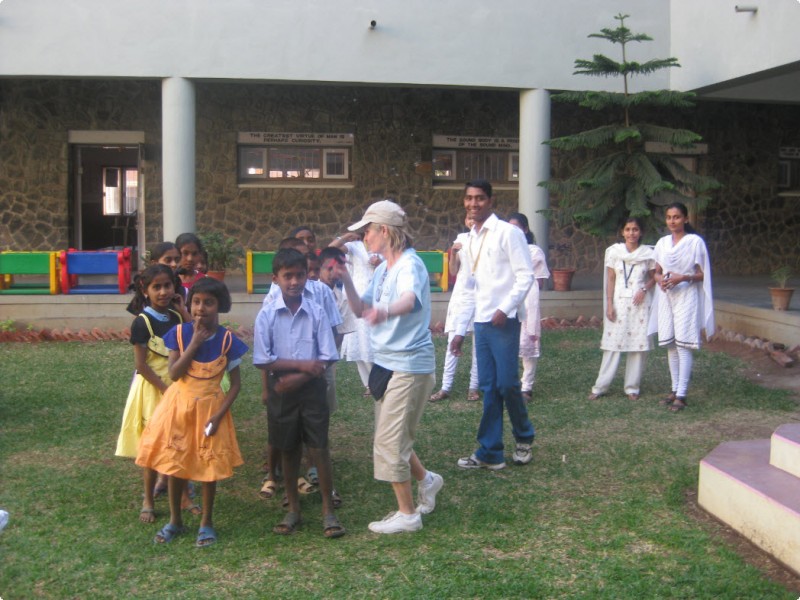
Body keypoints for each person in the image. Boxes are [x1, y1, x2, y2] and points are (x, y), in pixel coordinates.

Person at [335, 199, 443, 534]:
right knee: (392, 434)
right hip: (387, 363)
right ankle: (428, 480)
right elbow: (359, 308)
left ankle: (408, 515)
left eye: (367, 231)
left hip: (409, 364)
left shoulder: (410, 265)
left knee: (390, 441)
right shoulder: (383, 269)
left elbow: (408, 300)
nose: (364, 237)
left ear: (384, 230)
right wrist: (345, 278)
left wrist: (384, 312)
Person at [136, 277, 248, 547]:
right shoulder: (179, 334)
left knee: (209, 467)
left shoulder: (228, 340)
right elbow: (175, 374)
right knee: (176, 464)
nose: (201, 308)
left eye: (208, 303)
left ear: (220, 305)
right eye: (196, 302)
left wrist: (219, 416)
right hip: (178, 409)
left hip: (211, 411)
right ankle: (175, 520)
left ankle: (206, 522)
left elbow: (235, 385)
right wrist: (195, 343)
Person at [253, 248, 345, 538]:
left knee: (319, 447)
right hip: (281, 390)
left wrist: (299, 376)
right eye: (288, 276)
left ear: (307, 276)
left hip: (312, 389)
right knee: (288, 447)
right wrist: (302, 367)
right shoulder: (267, 315)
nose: (294, 282)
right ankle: (293, 508)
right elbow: (262, 359)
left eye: (300, 275)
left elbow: (327, 355)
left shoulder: (316, 312)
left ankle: (328, 510)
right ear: (275, 279)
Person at [450, 180, 536, 469]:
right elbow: (467, 286)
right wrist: (460, 331)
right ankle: (490, 452)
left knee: (507, 384)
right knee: (488, 386)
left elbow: (525, 276)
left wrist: (505, 308)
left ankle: (524, 437)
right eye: (469, 198)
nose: (473, 204)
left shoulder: (508, 233)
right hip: (481, 321)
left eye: (480, 198)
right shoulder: (469, 239)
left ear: (491, 200)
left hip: (503, 321)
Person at [116, 264, 199, 523]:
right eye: (156, 287)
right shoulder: (142, 323)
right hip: (154, 390)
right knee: (153, 448)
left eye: (167, 286)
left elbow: (196, 334)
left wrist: (183, 310)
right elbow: (141, 366)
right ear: (145, 290)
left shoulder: (176, 316)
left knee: (179, 443)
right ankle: (148, 500)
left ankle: (184, 496)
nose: (163, 292)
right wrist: (166, 391)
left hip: (178, 387)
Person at [648, 202, 714, 412]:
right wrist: (661, 280)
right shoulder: (662, 243)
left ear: (685, 218)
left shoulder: (694, 242)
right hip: (667, 296)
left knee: (683, 344)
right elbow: (656, 272)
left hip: (687, 296)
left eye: (676, 217)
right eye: (669, 217)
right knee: (671, 344)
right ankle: (674, 389)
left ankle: (682, 395)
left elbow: (703, 274)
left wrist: (683, 277)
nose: (672, 221)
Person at [588, 217, 656, 401]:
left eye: (635, 229)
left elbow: (655, 276)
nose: (631, 233)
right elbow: (610, 279)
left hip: (639, 304)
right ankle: (600, 387)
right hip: (618, 303)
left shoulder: (647, 254)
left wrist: (644, 289)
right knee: (613, 345)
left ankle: (632, 388)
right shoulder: (614, 252)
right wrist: (609, 304)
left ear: (641, 232)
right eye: (628, 229)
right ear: (622, 232)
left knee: (638, 346)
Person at [429, 215, 479, 402]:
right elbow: (452, 271)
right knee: (453, 340)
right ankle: (445, 387)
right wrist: (454, 253)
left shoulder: (488, 240)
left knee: (478, 344)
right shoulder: (461, 239)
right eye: (468, 218)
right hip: (461, 296)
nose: (471, 221)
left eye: (474, 218)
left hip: (481, 295)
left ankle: (474, 387)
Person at [330, 231, 383, 397]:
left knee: (373, 340)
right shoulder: (355, 247)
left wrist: (381, 263)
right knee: (358, 340)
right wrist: (345, 237)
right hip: (356, 298)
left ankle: (380, 379)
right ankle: (369, 383)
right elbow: (331, 249)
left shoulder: (383, 247)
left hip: (378, 298)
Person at [508, 212, 550, 403]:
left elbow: (539, 281)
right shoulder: (505, 250)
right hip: (508, 300)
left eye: (517, 228)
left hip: (528, 301)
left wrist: (527, 295)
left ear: (525, 229)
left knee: (528, 341)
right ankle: (510, 383)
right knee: (509, 342)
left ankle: (527, 386)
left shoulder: (533, 251)